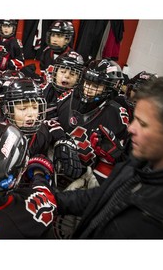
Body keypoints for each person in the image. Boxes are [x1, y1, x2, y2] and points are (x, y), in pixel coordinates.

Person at [53, 76, 163, 238]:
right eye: (134, 119)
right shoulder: (138, 165)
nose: (130, 128)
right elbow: (103, 196)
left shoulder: (161, 218)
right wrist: (53, 200)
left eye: (143, 124)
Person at [53, 58, 130, 189]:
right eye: (87, 83)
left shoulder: (117, 115)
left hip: (86, 178)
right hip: (55, 165)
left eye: (96, 86)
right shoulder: (66, 97)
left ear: (111, 88)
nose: (88, 89)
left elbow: (120, 162)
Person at [0, 77, 83, 182]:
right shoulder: (0, 134)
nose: (31, 114)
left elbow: (51, 124)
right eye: (23, 108)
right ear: (8, 109)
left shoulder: (43, 132)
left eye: (35, 107)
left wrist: (62, 141)